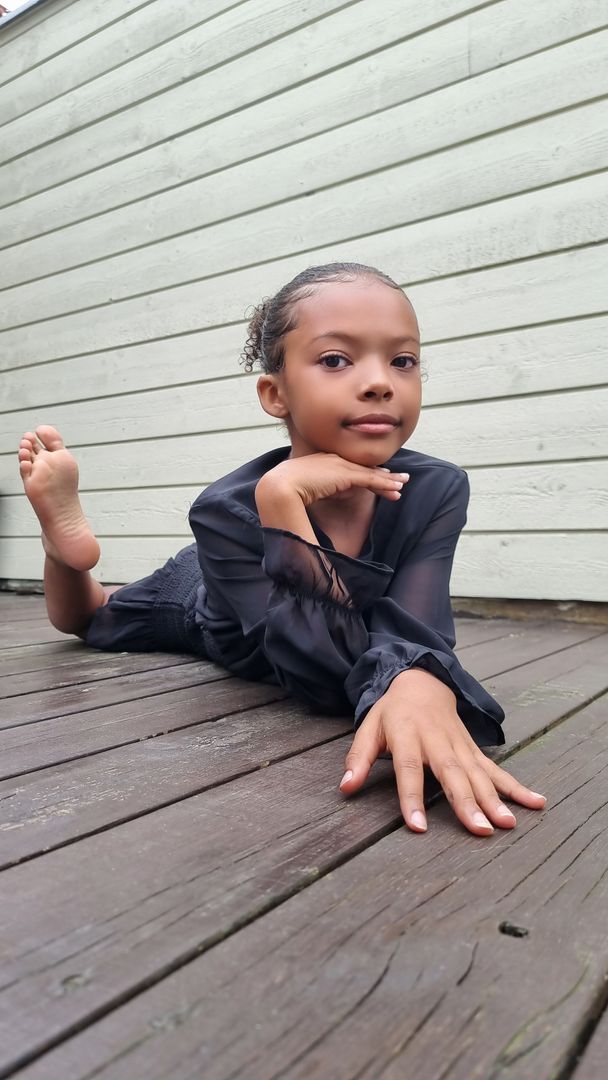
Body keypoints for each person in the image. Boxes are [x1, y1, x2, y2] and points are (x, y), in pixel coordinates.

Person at [18, 261, 546, 837]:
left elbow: (416, 626)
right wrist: (280, 502)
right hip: (217, 601)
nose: (380, 382)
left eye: (403, 360)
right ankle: (62, 548)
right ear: (275, 394)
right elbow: (321, 671)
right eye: (335, 360)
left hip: (280, 585)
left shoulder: (437, 489)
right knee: (90, 617)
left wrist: (419, 678)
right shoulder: (224, 511)